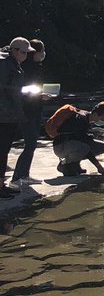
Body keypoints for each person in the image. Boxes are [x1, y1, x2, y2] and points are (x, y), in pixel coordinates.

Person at [0, 37, 33, 198]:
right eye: (24, 52)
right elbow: (7, 90)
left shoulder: (11, 63)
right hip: (4, 115)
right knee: (2, 150)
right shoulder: (5, 64)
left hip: (9, 114)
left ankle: (1, 184)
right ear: (15, 50)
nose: (26, 56)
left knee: (4, 150)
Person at [51, 101, 104, 180]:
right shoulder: (81, 120)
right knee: (84, 148)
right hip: (60, 147)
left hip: (70, 144)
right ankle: (65, 165)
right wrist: (98, 166)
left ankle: (75, 165)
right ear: (96, 114)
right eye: (103, 119)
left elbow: (81, 138)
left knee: (102, 147)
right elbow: (85, 148)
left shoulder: (86, 117)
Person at [11, 39, 46, 187]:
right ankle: (16, 178)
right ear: (36, 52)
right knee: (30, 144)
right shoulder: (26, 68)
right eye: (43, 50)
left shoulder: (37, 66)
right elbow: (23, 91)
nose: (44, 53)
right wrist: (39, 95)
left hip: (36, 108)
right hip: (26, 111)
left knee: (32, 144)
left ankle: (24, 175)